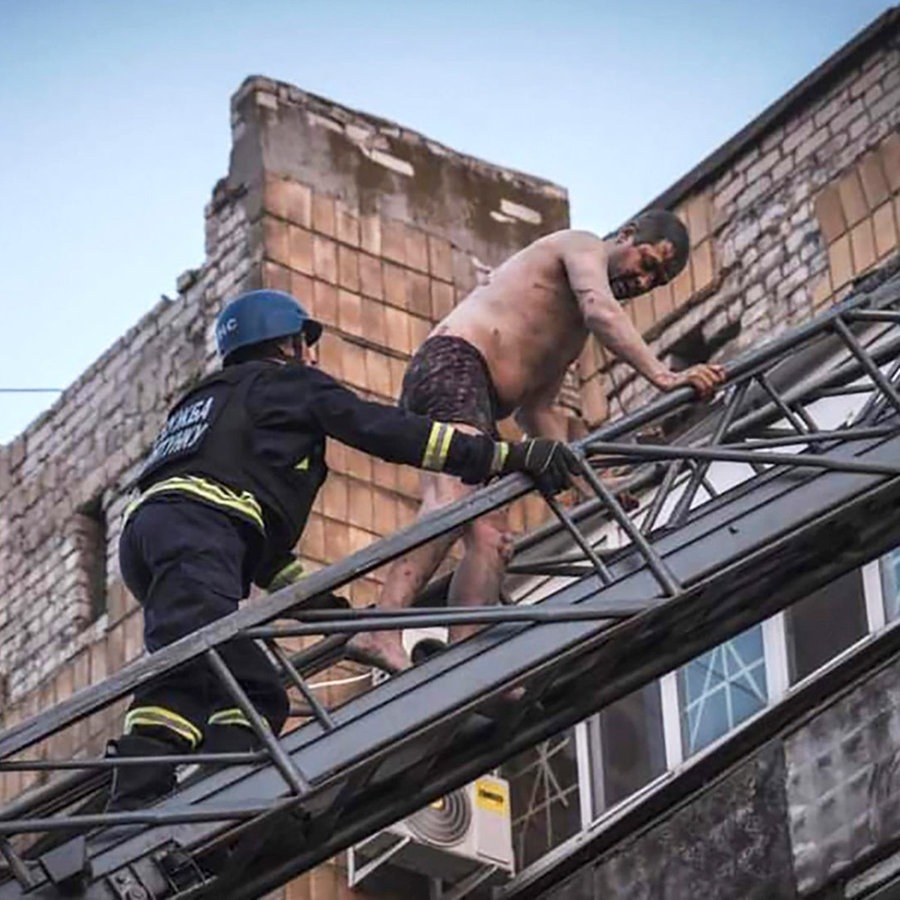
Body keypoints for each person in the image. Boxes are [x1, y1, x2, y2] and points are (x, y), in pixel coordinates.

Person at [106, 289, 579, 811]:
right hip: (198, 534)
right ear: (287, 343)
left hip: (156, 539)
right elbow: (385, 432)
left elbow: (260, 551)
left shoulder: (210, 404)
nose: (313, 357)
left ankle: (151, 794)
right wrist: (502, 455)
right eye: (307, 344)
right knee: (252, 688)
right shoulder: (289, 383)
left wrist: (326, 612)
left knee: (190, 668)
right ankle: (208, 802)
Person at [353, 211, 727, 672]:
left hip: (481, 403)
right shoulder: (581, 246)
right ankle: (380, 630)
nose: (645, 280)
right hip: (455, 364)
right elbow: (600, 307)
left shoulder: (572, 333)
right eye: (647, 262)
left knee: (494, 538)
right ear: (626, 235)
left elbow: (536, 411)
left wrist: (593, 486)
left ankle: (464, 660)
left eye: (657, 280)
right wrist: (665, 376)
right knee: (450, 502)